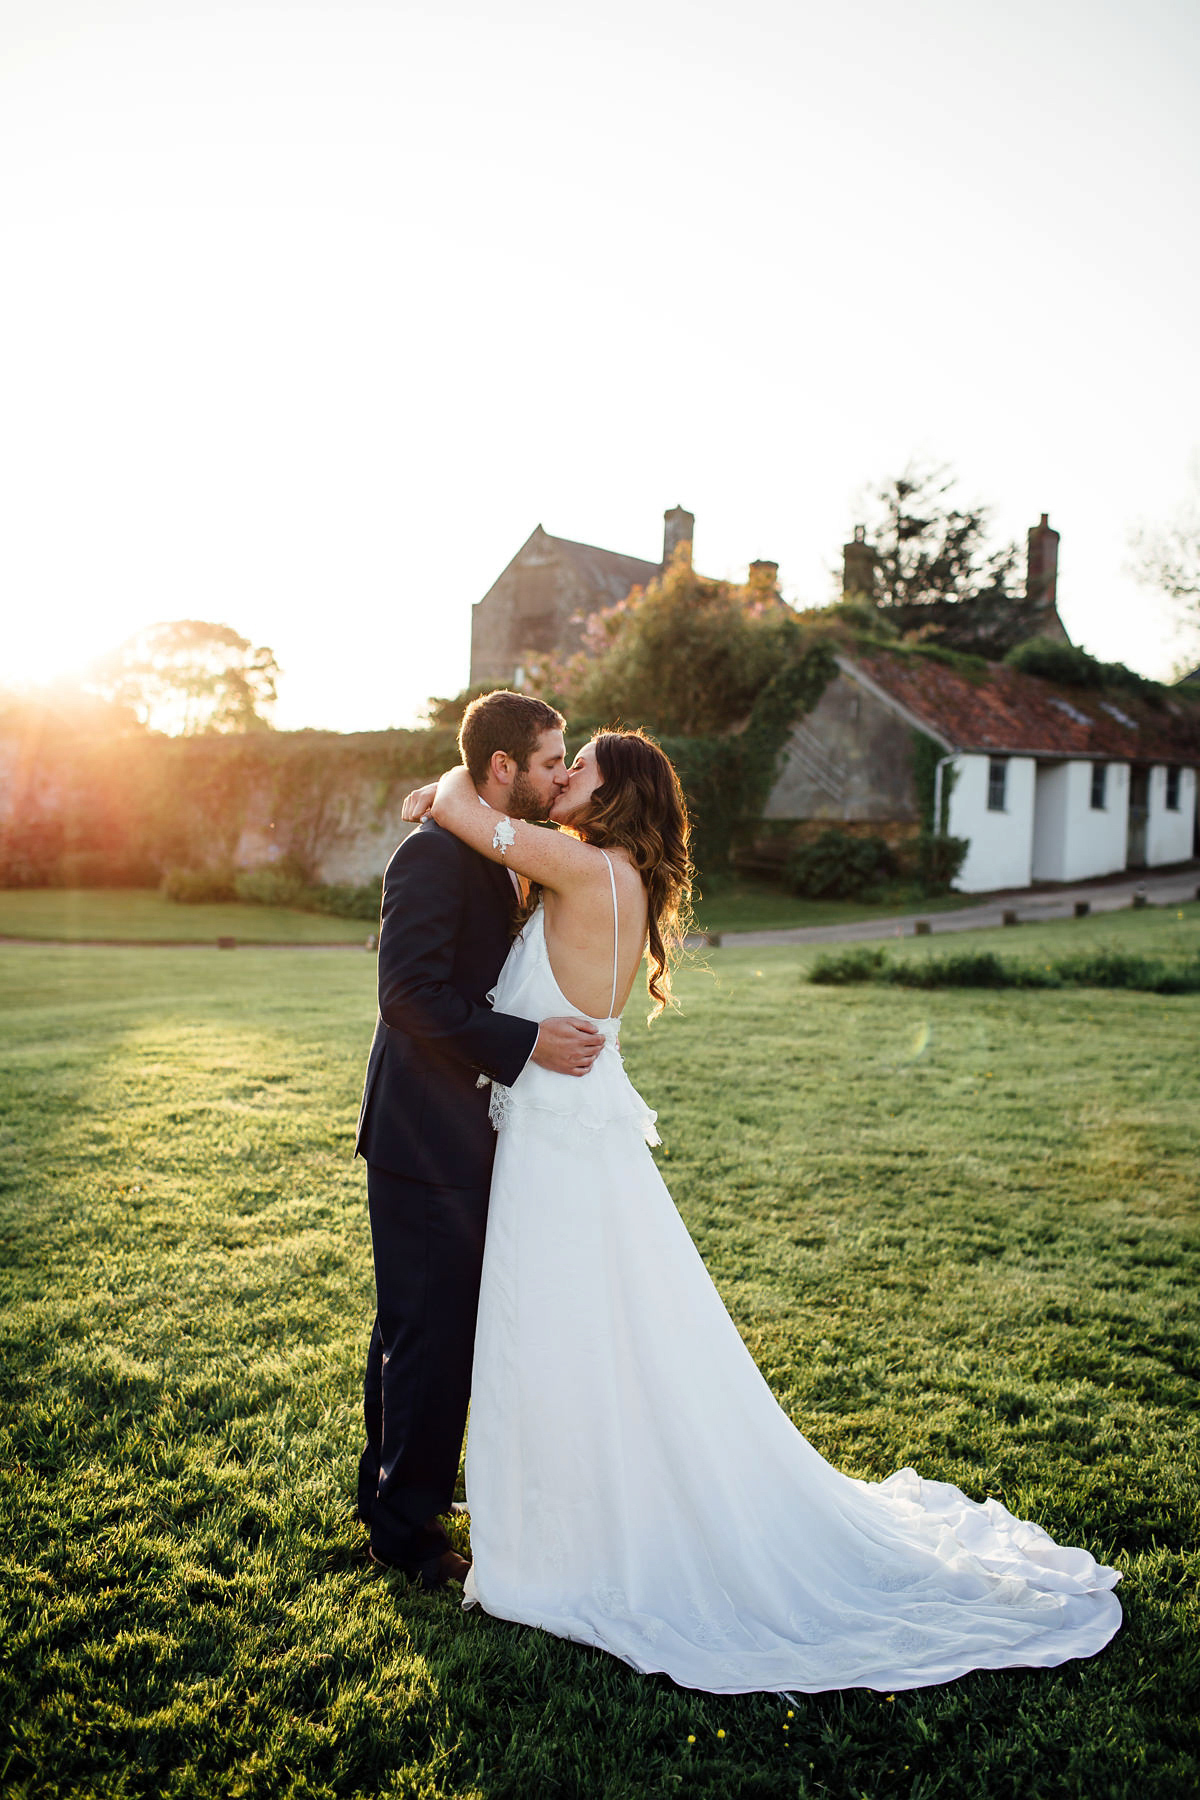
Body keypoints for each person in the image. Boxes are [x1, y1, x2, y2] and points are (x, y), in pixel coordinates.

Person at [407, 725, 1122, 1693]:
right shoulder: (611, 875)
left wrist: (438, 789)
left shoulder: (584, 872)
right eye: (558, 762)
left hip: (553, 1138)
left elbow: (464, 800)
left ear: (616, 796)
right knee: (591, 1329)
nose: (563, 775)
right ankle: (567, 1506)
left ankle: (567, 1534)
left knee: (560, 1329)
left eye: (581, 768)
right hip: (567, 1129)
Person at [354, 691, 605, 1588]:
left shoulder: (496, 846)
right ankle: (407, 1534)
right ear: (502, 768)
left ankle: (390, 1494)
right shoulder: (430, 857)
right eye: (549, 760)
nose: (559, 772)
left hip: (469, 1127)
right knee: (427, 1332)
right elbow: (408, 997)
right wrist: (525, 1045)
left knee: (419, 1326)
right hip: (424, 1129)